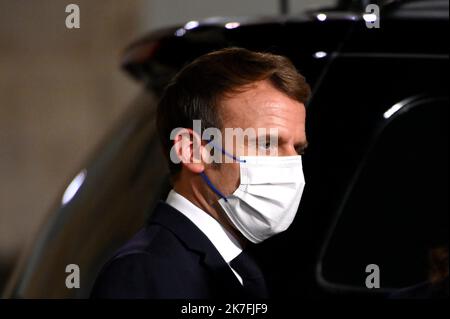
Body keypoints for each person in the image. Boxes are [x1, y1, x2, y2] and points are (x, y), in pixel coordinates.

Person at [90, 47, 311, 299]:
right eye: (267, 144)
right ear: (192, 150)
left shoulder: (232, 266)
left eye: (298, 149)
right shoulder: (145, 272)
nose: (291, 165)